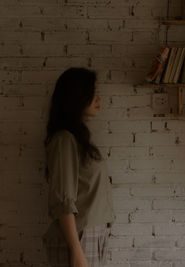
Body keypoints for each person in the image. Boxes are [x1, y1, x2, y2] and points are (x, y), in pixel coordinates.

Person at [42, 67, 115, 267]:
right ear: (78, 97)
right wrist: (76, 249)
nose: (99, 99)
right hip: (79, 238)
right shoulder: (64, 140)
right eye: (93, 94)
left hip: (91, 236)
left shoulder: (77, 140)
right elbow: (63, 201)